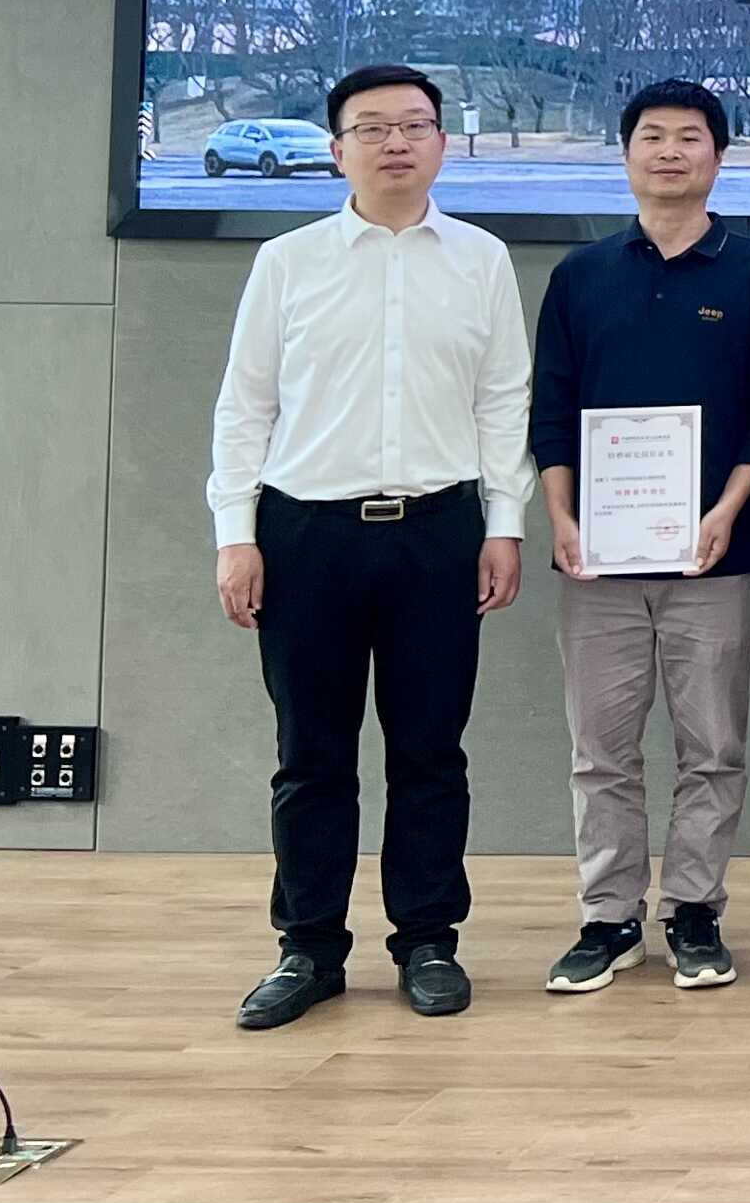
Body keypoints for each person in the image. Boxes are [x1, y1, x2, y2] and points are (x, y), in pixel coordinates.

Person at [206, 64, 529, 1029]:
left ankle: (427, 941)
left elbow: (502, 401)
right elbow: (244, 407)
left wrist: (504, 525)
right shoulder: (288, 261)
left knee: (431, 753)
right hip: (306, 534)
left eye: (415, 126)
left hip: (438, 532)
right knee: (311, 756)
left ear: (442, 143)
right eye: (373, 127)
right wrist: (236, 537)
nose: (396, 143)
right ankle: (308, 948)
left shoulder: (481, 260)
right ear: (337, 147)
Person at [530, 79, 750, 995]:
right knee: (600, 751)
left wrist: (728, 510)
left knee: (712, 747)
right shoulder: (581, 274)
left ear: (719, 155)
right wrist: (561, 518)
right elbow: (552, 408)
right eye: (651, 136)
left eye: (689, 137)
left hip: (718, 554)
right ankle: (608, 918)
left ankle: (694, 910)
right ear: (626, 152)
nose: (669, 151)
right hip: (597, 558)